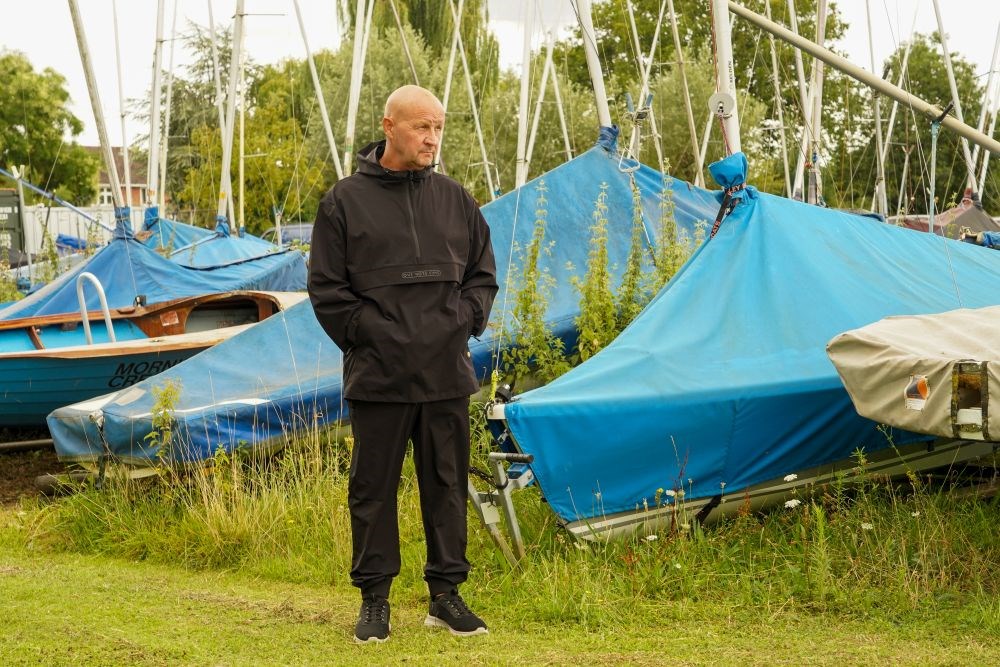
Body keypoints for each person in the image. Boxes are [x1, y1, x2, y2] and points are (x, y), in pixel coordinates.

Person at [308, 84, 498, 644]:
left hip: (446, 373)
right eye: (422, 127)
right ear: (389, 127)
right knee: (373, 491)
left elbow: (482, 277)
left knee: (447, 485)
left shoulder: (457, 200)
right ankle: (375, 601)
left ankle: (446, 596)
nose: (432, 138)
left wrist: (460, 321)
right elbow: (327, 291)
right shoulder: (343, 203)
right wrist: (376, 337)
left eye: (438, 127)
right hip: (379, 375)